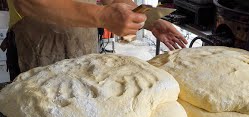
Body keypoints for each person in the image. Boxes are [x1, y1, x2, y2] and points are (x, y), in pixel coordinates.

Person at [4, 0, 188, 80]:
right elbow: (28, 3)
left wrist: (149, 19)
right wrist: (103, 16)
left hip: (84, 47)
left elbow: (117, 0)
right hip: (37, 47)